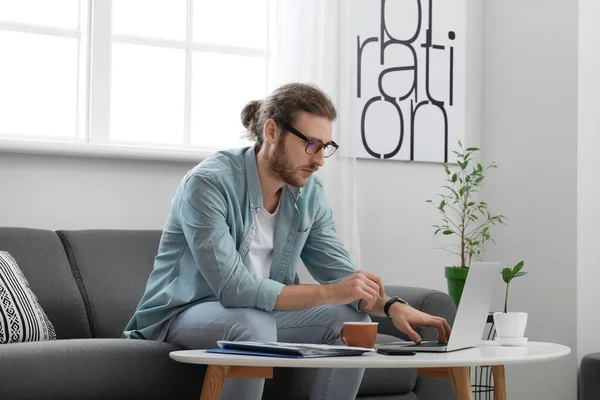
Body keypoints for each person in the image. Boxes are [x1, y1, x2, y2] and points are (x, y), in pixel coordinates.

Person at [123, 83, 451, 400]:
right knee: (252, 324)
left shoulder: (309, 195)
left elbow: (342, 278)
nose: (320, 159)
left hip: (259, 317)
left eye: (326, 147)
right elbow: (234, 289)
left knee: (349, 322)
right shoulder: (209, 183)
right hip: (182, 315)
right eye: (311, 144)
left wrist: (393, 306)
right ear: (272, 131)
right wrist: (328, 293)